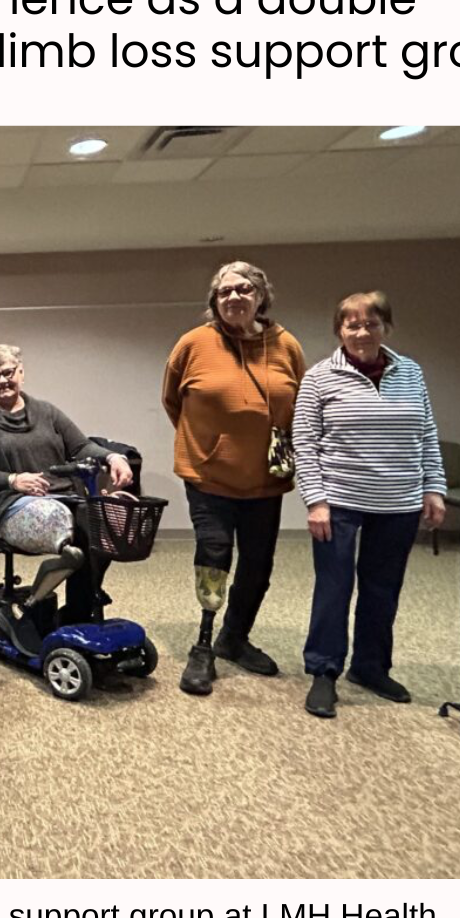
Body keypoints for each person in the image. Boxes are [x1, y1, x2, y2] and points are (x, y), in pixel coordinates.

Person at [294, 292, 447, 719]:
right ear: (339, 330)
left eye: (372, 324)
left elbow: (426, 433)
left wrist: (433, 488)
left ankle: (370, 668)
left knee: (382, 590)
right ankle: (324, 673)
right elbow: (304, 443)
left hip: (398, 501)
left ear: (387, 328)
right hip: (339, 501)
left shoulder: (410, 372)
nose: (362, 332)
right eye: (352, 324)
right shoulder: (320, 377)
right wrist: (316, 500)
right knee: (334, 588)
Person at [162, 261, 307, 697]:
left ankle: (234, 637)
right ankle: (204, 644)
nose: (234, 297)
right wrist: (209, 443)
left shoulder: (286, 345)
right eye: (224, 292)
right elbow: (173, 401)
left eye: (243, 289)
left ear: (261, 296)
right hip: (208, 476)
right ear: (214, 301)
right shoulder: (193, 343)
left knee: (259, 565)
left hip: (265, 477)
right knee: (215, 554)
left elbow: (300, 401)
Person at [0, 344, 134, 654]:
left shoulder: (47, 412)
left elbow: (81, 447)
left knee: (103, 523)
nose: (3, 381)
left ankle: (77, 612)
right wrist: (12, 480)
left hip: (59, 496)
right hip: (1, 505)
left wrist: (112, 456)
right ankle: (27, 612)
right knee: (68, 535)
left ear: (21, 372)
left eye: (8, 372)